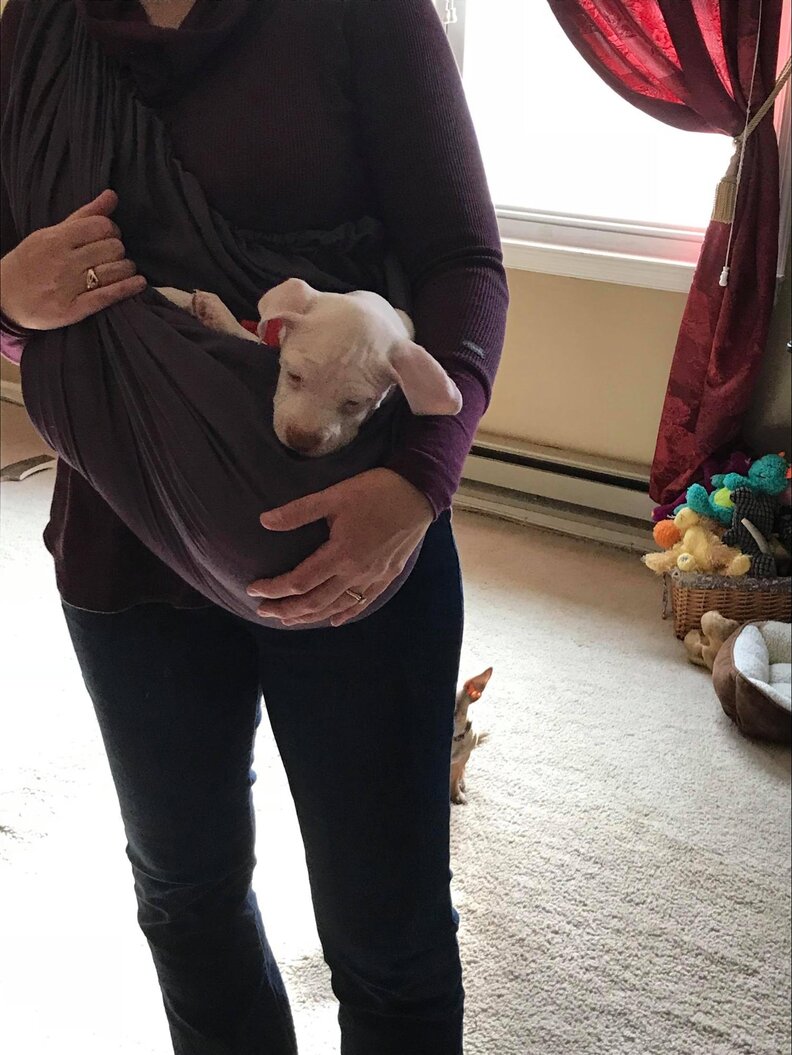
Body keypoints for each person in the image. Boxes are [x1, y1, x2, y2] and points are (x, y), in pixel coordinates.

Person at [0, 1, 508, 1052]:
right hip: (122, 536)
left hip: (357, 535)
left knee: (390, 938)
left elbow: (463, 260)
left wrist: (419, 481)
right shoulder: (38, 26)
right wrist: (6, 294)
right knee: (186, 897)